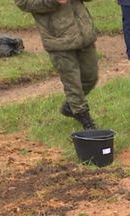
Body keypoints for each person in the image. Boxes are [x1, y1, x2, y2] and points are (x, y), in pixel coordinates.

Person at [14, 0, 99, 130]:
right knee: (72, 83)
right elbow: (23, 3)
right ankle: (86, 121)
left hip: (84, 34)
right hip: (58, 40)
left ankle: (71, 107)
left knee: (90, 77)